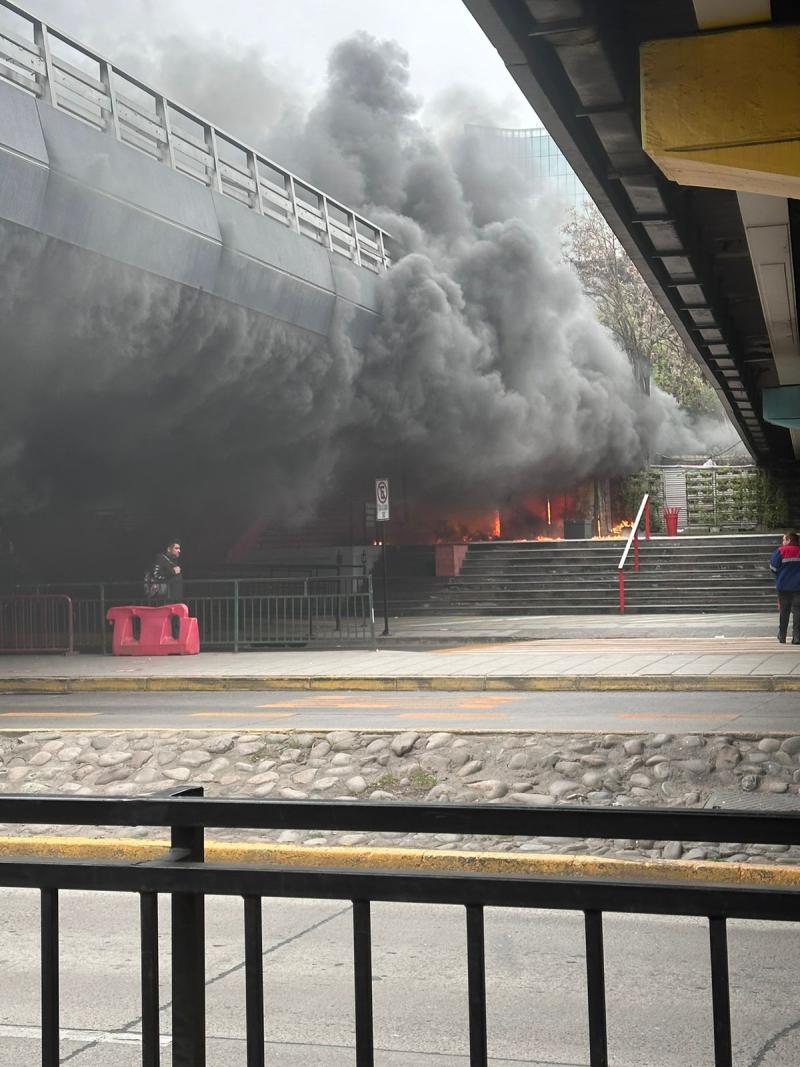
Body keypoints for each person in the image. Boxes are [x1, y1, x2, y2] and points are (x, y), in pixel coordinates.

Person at [769, 532, 800, 644]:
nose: (782, 542)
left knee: (784, 611)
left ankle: (782, 636)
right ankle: (797, 637)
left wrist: (780, 575)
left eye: (784, 540)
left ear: (789, 540)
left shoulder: (781, 551)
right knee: (798, 611)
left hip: (783, 586)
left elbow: (773, 567)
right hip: (798, 587)